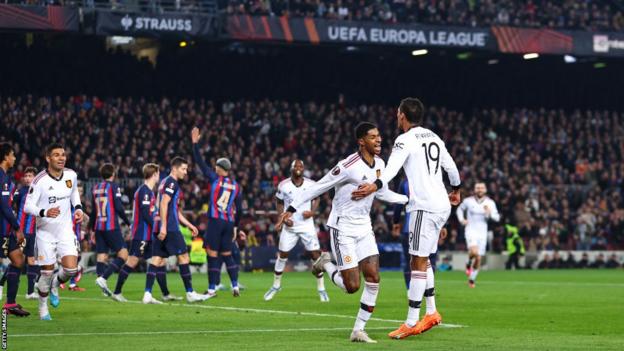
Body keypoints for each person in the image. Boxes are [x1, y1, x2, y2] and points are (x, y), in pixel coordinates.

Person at [277, 122, 408, 343]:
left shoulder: (380, 164)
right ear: (361, 141)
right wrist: (290, 209)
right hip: (342, 228)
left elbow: (382, 192)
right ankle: (325, 263)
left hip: (364, 227)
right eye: (373, 137)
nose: (379, 140)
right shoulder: (348, 165)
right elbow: (318, 187)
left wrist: (408, 200)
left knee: (374, 278)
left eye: (379, 136)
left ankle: (358, 330)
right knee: (352, 286)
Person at [351, 98, 461, 339]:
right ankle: (431, 312)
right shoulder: (434, 137)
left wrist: (375, 185)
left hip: (424, 206)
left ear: (401, 115)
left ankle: (411, 321)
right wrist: (456, 189)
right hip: (442, 204)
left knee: (416, 263)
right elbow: (451, 167)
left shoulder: (404, 140)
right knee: (426, 259)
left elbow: (390, 170)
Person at [25, 143, 84, 320]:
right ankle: (43, 309)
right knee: (46, 273)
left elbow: (73, 193)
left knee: (71, 270)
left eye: (63, 154)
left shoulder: (71, 175)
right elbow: (28, 206)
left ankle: (55, 285)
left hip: (65, 230)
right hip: (45, 233)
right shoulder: (39, 180)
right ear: (48, 158)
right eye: (57, 155)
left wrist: (78, 208)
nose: (61, 158)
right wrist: (44, 212)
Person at [191, 127, 245, 298]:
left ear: (220, 168)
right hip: (229, 223)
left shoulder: (215, 179)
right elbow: (240, 210)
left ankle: (212, 289)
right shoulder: (236, 186)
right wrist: (236, 227)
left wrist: (194, 144)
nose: (213, 168)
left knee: (212, 255)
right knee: (227, 255)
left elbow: (200, 162)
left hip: (215, 220)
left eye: (216, 166)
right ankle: (235, 286)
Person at [264, 159, 329, 302]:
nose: (299, 168)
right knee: (282, 255)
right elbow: (279, 202)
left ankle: (321, 288)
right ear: (291, 169)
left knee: (315, 256)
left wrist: (312, 212)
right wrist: (283, 218)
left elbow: (317, 198)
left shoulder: (311, 184)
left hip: (306, 225)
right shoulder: (283, 185)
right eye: (296, 166)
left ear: (304, 169)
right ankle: (276, 285)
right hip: (290, 226)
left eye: (301, 166)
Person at [151, 156, 207, 303]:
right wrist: (164, 226)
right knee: (184, 257)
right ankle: (190, 292)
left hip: (166, 225)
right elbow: (163, 204)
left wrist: (189, 225)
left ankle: (148, 293)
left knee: (157, 259)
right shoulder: (171, 183)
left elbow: (174, 210)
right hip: (170, 227)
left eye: (186, 169)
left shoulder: (164, 182)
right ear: (174, 168)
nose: (186, 172)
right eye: (183, 168)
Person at [109, 163, 167, 303]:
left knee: (157, 260)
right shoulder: (144, 192)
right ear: (154, 174)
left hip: (148, 234)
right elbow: (146, 215)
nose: (159, 176)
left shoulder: (149, 191)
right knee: (132, 261)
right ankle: (117, 292)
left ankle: (148, 294)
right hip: (141, 233)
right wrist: (157, 228)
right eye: (158, 173)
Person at [91, 163, 131, 296]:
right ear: (113, 173)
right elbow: (119, 208)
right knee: (124, 255)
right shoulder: (114, 187)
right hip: (111, 226)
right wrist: (128, 222)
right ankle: (103, 278)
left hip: (98, 226)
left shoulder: (95, 187)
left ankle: (102, 287)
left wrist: (92, 229)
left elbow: (93, 211)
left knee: (102, 255)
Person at [0, 143, 29, 316]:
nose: (14, 158)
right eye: (12, 155)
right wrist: (18, 228)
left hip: (6, 229)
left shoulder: (5, 177)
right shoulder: (2, 178)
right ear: (5, 156)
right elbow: (4, 206)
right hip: (2, 229)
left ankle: (10, 304)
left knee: (18, 260)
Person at [456, 182, 500, 287]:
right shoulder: (468, 201)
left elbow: (497, 218)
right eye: (478, 188)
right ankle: (468, 261)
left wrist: (489, 213)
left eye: (482, 188)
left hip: (482, 233)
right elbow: (459, 210)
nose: (480, 189)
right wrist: (462, 220)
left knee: (479, 258)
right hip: (471, 230)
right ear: (474, 190)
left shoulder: (490, 203)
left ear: (485, 190)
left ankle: (471, 279)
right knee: (475, 252)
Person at [13, 167, 39, 299]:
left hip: (32, 232)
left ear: (35, 177)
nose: (28, 178)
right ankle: (1, 284)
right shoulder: (20, 191)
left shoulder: (39, 192)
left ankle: (30, 292)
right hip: (22, 232)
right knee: (18, 260)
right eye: (26, 176)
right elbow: (13, 207)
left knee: (31, 260)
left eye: (30, 176)